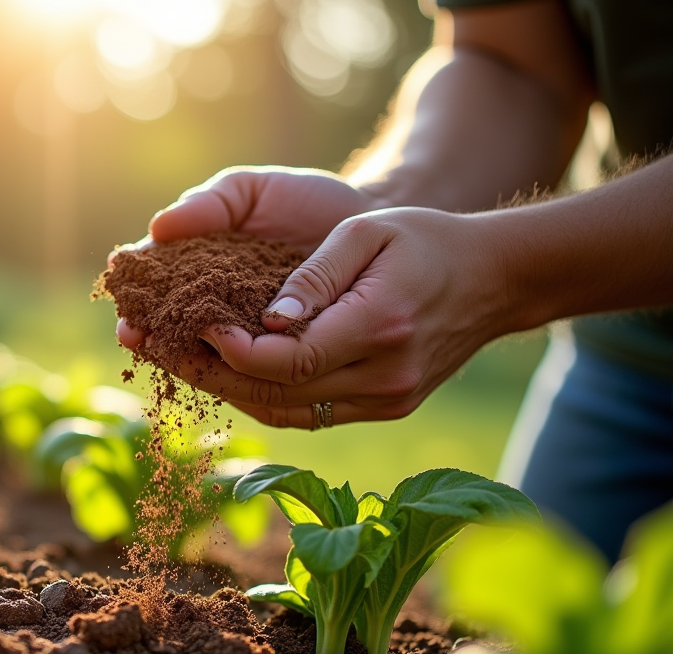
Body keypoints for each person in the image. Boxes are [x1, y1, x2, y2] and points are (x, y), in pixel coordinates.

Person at [115, 0, 673, 562]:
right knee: (529, 636)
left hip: (615, 302)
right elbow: (510, 61)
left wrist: (502, 273)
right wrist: (383, 205)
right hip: (632, 362)